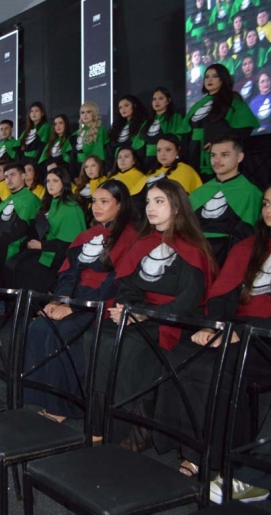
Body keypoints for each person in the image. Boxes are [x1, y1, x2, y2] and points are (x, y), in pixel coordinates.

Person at [154, 185, 271, 503]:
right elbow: (222, 294)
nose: (269, 210)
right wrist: (218, 327)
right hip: (239, 329)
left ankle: (218, 456)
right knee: (185, 353)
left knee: (213, 364)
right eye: (266, 204)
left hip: (265, 339)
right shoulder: (249, 245)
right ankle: (193, 448)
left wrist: (241, 332)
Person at [84, 179, 216, 444]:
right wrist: (126, 310)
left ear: (177, 207)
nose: (150, 208)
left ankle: (130, 432)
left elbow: (188, 302)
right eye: (147, 202)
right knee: (96, 336)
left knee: (130, 346)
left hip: (174, 319)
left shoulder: (193, 248)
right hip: (141, 313)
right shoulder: (144, 242)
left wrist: (144, 315)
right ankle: (99, 421)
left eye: (159, 202)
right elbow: (129, 287)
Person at [26, 180, 137, 423]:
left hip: (103, 305)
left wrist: (74, 307)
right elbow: (69, 273)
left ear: (120, 205)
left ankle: (63, 407)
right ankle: (44, 397)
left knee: (60, 333)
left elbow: (115, 283)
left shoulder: (130, 238)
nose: (97, 207)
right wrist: (60, 300)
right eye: (95, 201)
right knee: (37, 327)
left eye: (104, 201)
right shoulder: (88, 235)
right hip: (76, 300)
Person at [4, 167, 87, 293]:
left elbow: (69, 243)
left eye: (55, 181)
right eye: (48, 181)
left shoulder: (71, 207)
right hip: (44, 248)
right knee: (12, 263)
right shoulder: (48, 202)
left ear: (64, 183)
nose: (50, 184)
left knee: (25, 268)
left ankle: (31, 308)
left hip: (58, 255)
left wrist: (41, 245)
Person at [189, 136, 263, 266]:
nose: (216, 160)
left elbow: (248, 233)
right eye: (213, 155)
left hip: (228, 256)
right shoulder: (201, 191)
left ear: (239, 157)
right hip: (193, 252)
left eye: (224, 155)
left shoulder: (251, 192)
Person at [186, 64, 259, 176]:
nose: (209, 79)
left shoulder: (232, 101)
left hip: (216, 155)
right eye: (207, 76)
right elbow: (186, 128)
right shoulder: (199, 104)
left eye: (215, 76)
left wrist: (218, 142)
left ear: (223, 79)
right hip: (194, 151)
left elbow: (245, 128)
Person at [0, 161, 41, 287]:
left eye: (13, 175)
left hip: (12, 246)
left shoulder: (29, 199)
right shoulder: (9, 199)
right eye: (6, 176)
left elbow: (21, 229)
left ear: (23, 176)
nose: (8, 179)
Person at [143, 87, 190, 164]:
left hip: (165, 160)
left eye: (161, 98)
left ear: (168, 100)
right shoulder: (148, 121)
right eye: (154, 99)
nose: (157, 102)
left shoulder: (175, 117)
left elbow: (179, 140)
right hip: (148, 160)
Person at [71, 101, 109, 180]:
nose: (85, 115)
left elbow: (101, 153)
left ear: (94, 113)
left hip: (94, 168)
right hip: (79, 168)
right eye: (82, 112)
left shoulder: (100, 129)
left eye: (88, 112)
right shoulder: (77, 133)